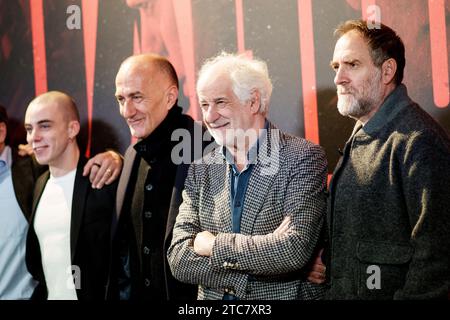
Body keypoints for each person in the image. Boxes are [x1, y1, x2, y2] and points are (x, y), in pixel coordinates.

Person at [167, 52, 327, 300]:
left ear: (253, 102)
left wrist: (212, 245)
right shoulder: (201, 168)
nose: (209, 117)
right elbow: (178, 259)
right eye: (205, 105)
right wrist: (270, 266)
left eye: (220, 102)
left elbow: (293, 250)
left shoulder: (302, 157)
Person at [313, 19, 450, 299]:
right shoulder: (366, 132)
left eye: (352, 65)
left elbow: (437, 257)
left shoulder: (419, 141)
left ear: (387, 70)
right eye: (336, 67)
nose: (338, 78)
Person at [106, 53, 206, 300]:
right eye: (121, 99)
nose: (127, 111)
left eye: (137, 97)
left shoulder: (206, 147)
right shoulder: (130, 156)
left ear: (170, 97)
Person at [0, 104, 119, 300]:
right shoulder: (40, 183)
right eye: (29, 129)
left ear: (72, 129)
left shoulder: (99, 179)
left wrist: (117, 158)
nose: (33, 137)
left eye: (44, 126)